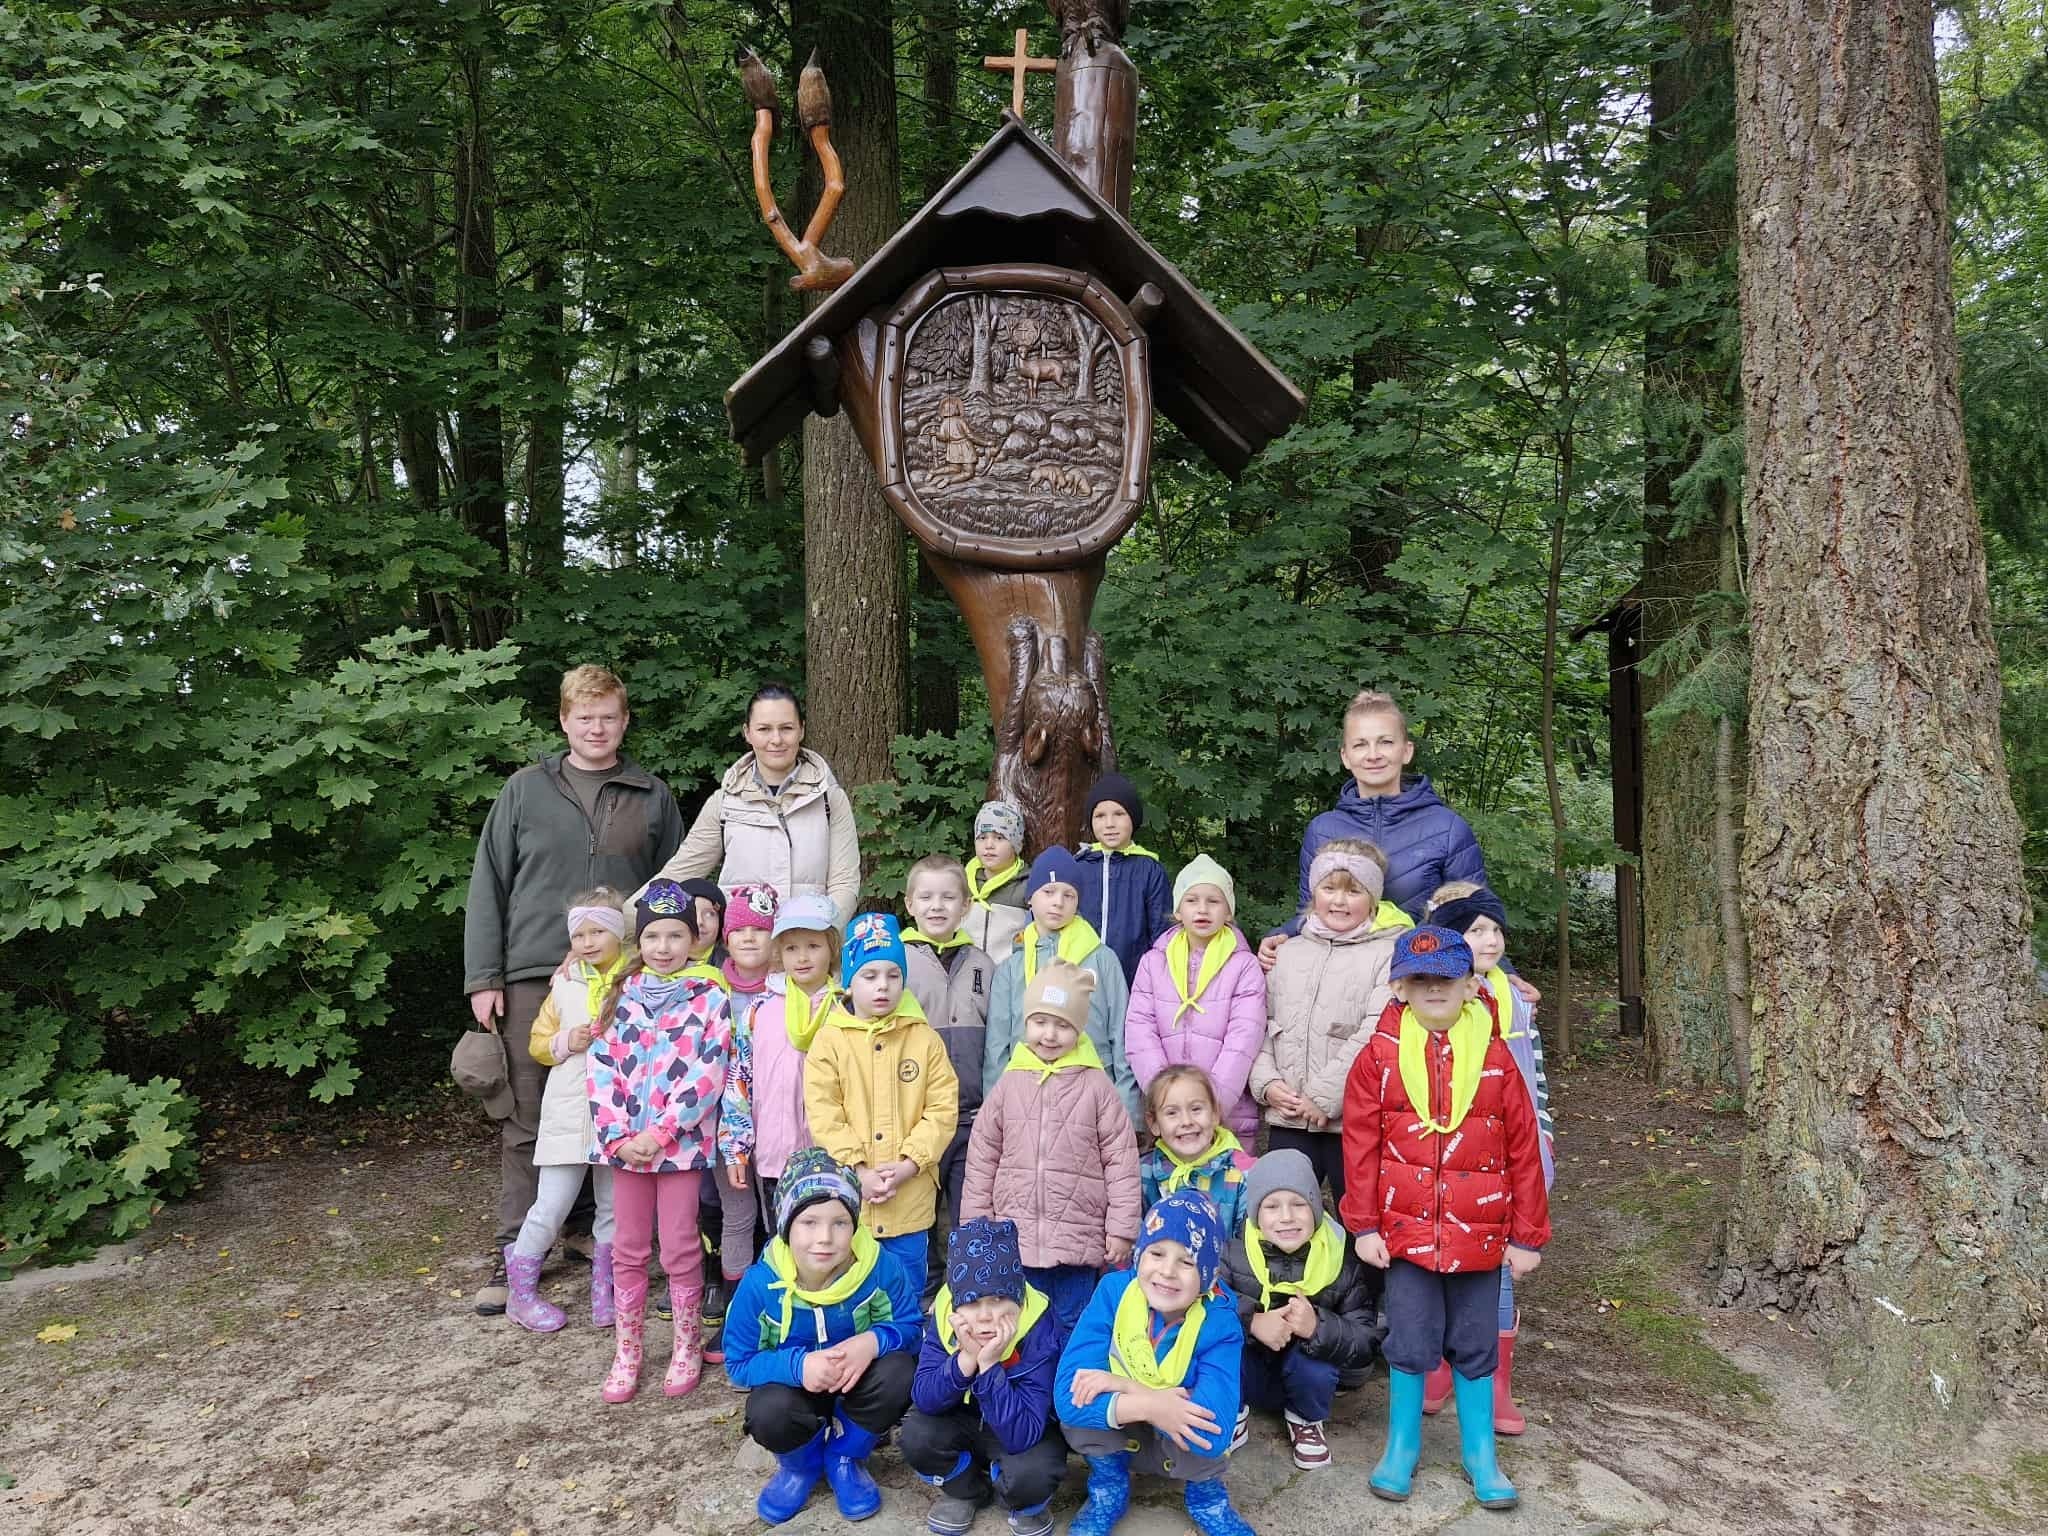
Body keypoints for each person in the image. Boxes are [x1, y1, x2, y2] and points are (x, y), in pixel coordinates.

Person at [462, 664, 686, 1316]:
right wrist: (484, 976)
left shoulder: (651, 795)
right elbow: (488, 883)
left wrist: (669, 970)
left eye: (608, 716)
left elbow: (674, 887)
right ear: (564, 721)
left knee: (620, 1109)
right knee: (530, 1116)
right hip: (536, 974)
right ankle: (513, 1250)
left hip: (627, 980)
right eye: (584, 717)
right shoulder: (524, 791)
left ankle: (591, 1235)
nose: (596, 727)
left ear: (624, 721)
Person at [1340, 926, 1550, 1511]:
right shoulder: (1377, 1056)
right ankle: (1401, 1446)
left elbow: (1524, 1146)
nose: (1434, 989)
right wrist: (1364, 1225)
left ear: (1470, 985)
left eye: (1447, 979)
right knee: (1409, 1338)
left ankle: (1480, 1452)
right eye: (1421, 979)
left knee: (1476, 1342)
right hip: (1405, 1233)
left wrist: (1528, 1234)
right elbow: (1360, 1145)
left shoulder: (1496, 1057)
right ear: (1401, 988)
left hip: (1480, 1234)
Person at [586, 880, 735, 1403]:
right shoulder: (619, 996)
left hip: (679, 1150)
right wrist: (620, 1137)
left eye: (675, 935)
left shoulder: (710, 997)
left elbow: (709, 1072)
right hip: (625, 1149)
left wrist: (663, 1131)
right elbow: (600, 1069)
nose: (664, 947)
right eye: (653, 936)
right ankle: (627, 1352)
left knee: (679, 1246)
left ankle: (685, 1346)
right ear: (639, 941)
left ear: (694, 939)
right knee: (628, 1248)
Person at [724, 1147, 922, 1525]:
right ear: (786, 1226)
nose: (825, 1238)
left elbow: (911, 1327)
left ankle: (845, 1455)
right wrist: (799, 1366)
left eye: (840, 1223)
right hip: (795, 1390)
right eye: (809, 1222)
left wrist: (871, 1343)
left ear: (855, 1225)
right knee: (768, 1411)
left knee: (900, 1370)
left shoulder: (880, 1268)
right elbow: (739, 1362)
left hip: (856, 1383)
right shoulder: (760, 1285)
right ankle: (801, 1466)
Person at [1420, 885, 1556, 1433]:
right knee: (1436, 1256)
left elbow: (1535, 1076)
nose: (1491, 940)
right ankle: (1439, 1364)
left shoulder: (1517, 998)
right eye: (1476, 930)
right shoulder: (1435, 1000)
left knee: (1496, 1264)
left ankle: (1496, 1380)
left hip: (1506, 1154)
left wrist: (1544, 1135)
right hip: (1446, 1151)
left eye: (1496, 930)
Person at [1055, 1189, 1254, 1536]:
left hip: (1178, 1441)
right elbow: (1067, 1398)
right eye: (1156, 1253)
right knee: (1081, 1404)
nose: (1167, 1271)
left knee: (1201, 1429)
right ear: (1138, 1255)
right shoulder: (1113, 1292)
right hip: (1126, 1431)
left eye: (1187, 1262)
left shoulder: (1220, 1322)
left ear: (1207, 1276)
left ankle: (1207, 1500)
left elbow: (1214, 1433)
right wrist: (1152, 1404)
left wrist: (1125, 1386)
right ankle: (1109, 1488)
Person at [962, 960, 1141, 1335]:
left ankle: (1073, 1376)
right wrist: (976, 1226)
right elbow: (982, 1156)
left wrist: (1121, 1228)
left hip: (1077, 1245)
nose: (1049, 1034)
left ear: (1079, 1028)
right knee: (1021, 1330)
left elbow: (1121, 1161)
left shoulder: (1096, 1086)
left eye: (1063, 1025)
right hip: (1015, 1242)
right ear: (1026, 1022)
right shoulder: (1009, 1084)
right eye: (1040, 1021)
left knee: (1074, 1328)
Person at [1255, 688, 1489, 966]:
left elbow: (1478, 918)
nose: (1373, 754)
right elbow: (1310, 913)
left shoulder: (1447, 828)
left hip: (1419, 976)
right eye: (1360, 745)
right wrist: (1282, 934)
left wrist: (1505, 975)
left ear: (1406, 751)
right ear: (1345, 756)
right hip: (1340, 977)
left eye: (1385, 742)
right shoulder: (1322, 829)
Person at [1249, 838, 1408, 1212]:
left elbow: (1378, 1030)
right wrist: (1266, 1083)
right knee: (1282, 1217)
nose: (1339, 901)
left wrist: (1323, 1097)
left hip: (1353, 1120)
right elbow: (1257, 1024)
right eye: (1329, 888)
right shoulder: (1286, 952)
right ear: (1313, 892)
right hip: (1288, 1116)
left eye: (1353, 891)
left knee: (1359, 1219)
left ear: (1373, 898)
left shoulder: (1388, 954)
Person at [806, 913, 961, 1281]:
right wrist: (858, 1170)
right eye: (870, 976)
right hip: (849, 1204)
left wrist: (909, 1164)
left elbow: (942, 1109)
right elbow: (824, 1114)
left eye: (893, 975)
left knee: (906, 1293)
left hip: (909, 1202)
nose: (883, 986)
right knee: (851, 1293)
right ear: (849, 982)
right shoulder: (829, 1041)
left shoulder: (924, 1040)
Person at [505, 889, 633, 1333]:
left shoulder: (638, 978)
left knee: (614, 1208)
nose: (587, 942)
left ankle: (605, 1290)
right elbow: (538, 1044)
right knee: (551, 1205)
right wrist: (565, 1041)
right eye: (579, 935)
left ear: (618, 933)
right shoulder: (563, 983)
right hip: (568, 1111)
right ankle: (521, 1294)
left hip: (619, 1113)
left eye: (597, 931)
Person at [641, 683, 860, 923]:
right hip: (742, 943)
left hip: (809, 942)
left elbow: (844, 884)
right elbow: (678, 874)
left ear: (801, 730)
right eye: (764, 729)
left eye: (786, 728)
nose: (776, 739)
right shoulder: (724, 803)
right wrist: (619, 923)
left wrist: (822, 933)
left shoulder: (830, 799)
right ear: (747, 732)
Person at [904, 1217, 1068, 1536]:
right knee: (916, 1436)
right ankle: (966, 1490)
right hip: (962, 1419)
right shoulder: (944, 1317)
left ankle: (1016, 1498)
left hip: (1019, 1426)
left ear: (1018, 1297)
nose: (985, 1316)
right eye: (971, 1302)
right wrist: (965, 1359)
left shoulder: (1040, 1328)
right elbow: (924, 1397)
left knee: (1034, 1475)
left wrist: (990, 1366)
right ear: (956, 1303)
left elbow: (1023, 1434)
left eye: (998, 1299)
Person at [1221, 1149, 1384, 1470]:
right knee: (1222, 1345)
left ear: (1316, 1209)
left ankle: (1305, 1419)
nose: (1286, 1217)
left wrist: (1317, 1327)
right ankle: (1231, 1410)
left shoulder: (1340, 1263)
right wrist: (1252, 1321)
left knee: (1317, 1362)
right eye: (1271, 1206)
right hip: (1252, 1373)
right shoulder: (1234, 1254)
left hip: (1306, 1378)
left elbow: (1367, 1339)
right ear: (1255, 1213)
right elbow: (1208, 1309)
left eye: (1299, 1204)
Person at [985, 848, 1137, 1119]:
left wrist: (1128, 1111)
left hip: (1092, 1098)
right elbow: (997, 1047)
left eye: (1069, 895)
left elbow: (1122, 1034)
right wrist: (995, 1113)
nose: (1058, 902)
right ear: (1030, 898)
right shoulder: (1011, 968)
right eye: (1049, 892)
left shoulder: (1102, 959)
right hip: (1027, 1099)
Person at [1123, 855, 1266, 1138]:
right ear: (1178, 911)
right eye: (1191, 900)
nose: (1202, 909)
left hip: (1226, 1115)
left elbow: (1244, 1038)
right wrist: (1163, 1098)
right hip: (1168, 1115)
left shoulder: (1244, 966)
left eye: (1214, 901)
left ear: (1228, 912)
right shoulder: (1153, 962)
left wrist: (1212, 1106)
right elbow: (1140, 1029)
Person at [903, 855, 996, 1255]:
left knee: (968, 1216)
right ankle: (923, 1285)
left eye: (948, 897)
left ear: (966, 906)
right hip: (916, 1118)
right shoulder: (897, 963)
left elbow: (997, 1037)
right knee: (917, 1218)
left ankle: (964, 1285)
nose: (937, 906)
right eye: (926, 897)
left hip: (972, 1118)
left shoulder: (983, 964)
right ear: (910, 904)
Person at [702, 881, 779, 1360]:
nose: (749, 937)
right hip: (723, 1126)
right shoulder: (709, 988)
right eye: (739, 929)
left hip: (778, 1124)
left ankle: (778, 1310)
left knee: (779, 1218)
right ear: (725, 938)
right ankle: (735, 1315)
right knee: (738, 1214)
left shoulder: (787, 988)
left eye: (760, 929)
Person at [1071, 772, 1172, 986]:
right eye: (1100, 816)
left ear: (1133, 818)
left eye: (1119, 814)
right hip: (1078, 980)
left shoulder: (1149, 870)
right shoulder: (1078, 867)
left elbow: (1161, 934)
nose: (1109, 824)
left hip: (1132, 981)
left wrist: (1154, 982)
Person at [1138, 1065, 1255, 1235]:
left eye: (1196, 1109)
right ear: (1154, 1123)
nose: (1186, 1121)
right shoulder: (1142, 1174)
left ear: (1215, 1113)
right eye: (1172, 1113)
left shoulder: (1242, 1174)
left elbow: (1248, 1241)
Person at [961, 800, 1030, 962]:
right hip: (966, 971)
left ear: (1016, 844)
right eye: (982, 837)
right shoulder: (962, 882)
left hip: (1008, 972)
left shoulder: (1027, 885)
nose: (989, 845)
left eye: (999, 837)